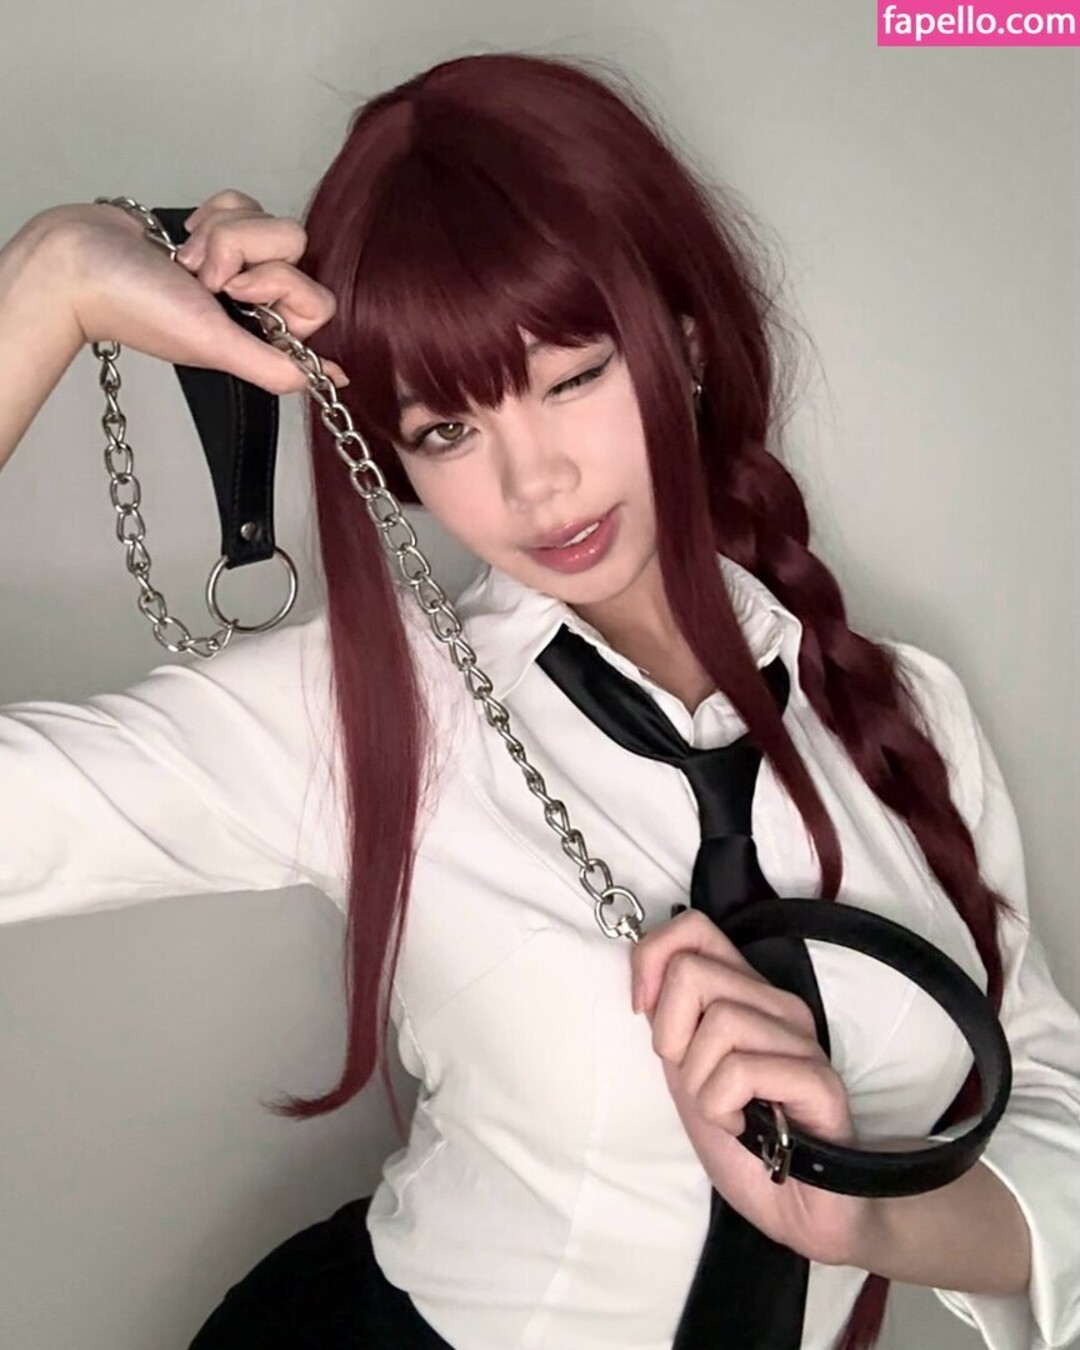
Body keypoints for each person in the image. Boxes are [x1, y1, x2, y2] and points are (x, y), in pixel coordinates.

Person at [0, 49, 1077, 1350]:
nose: (536, 482)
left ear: (685, 344)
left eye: (572, 375)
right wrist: (47, 286)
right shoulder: (369, 708)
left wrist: (861, 1225)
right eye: (446, 429)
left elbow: (1052, 1108)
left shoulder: (905, 710)